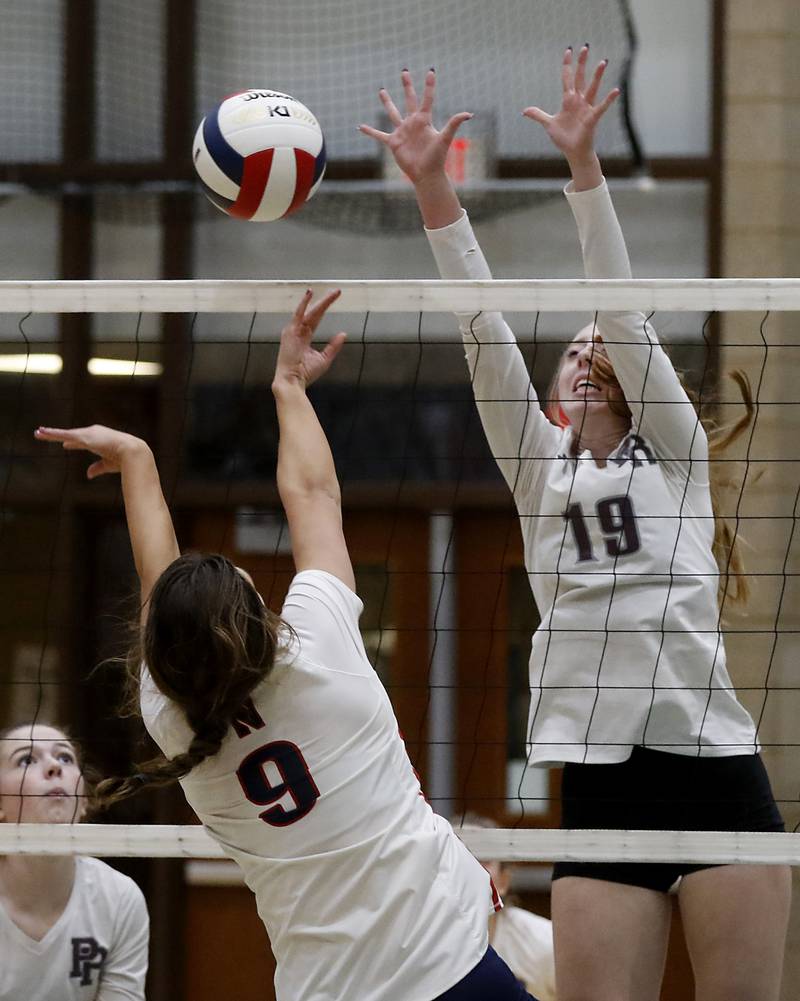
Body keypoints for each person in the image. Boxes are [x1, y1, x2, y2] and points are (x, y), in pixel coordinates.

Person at [360, 51, 791, 1001]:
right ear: (553, 392)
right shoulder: (537, 466)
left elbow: (625, 311)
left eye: (609, 350)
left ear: (645, 386)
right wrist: (435, 188)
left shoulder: (675, 455)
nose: (594, 355)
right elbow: (484, 332)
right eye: (577, 351)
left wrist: (585, 170)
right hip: (602, 778)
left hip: (719, 770)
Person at [35, 291, 539, 1001]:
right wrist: (289, 387)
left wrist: (143, 464)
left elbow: (162, 597)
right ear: (256, 619)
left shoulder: (178, 721)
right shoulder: (318, 651)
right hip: (450, 968)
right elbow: (313, 493)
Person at [0, 721, 148, 1001]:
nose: (54, 768)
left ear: (82, 802)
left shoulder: (120, 898)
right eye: (26, 760)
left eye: (65, 758)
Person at [460, 814, 556, 1001]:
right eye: (458, 855)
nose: (468, 866)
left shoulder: (544, 944)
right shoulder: (414, 943)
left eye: (483, 859)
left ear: (503, 881)